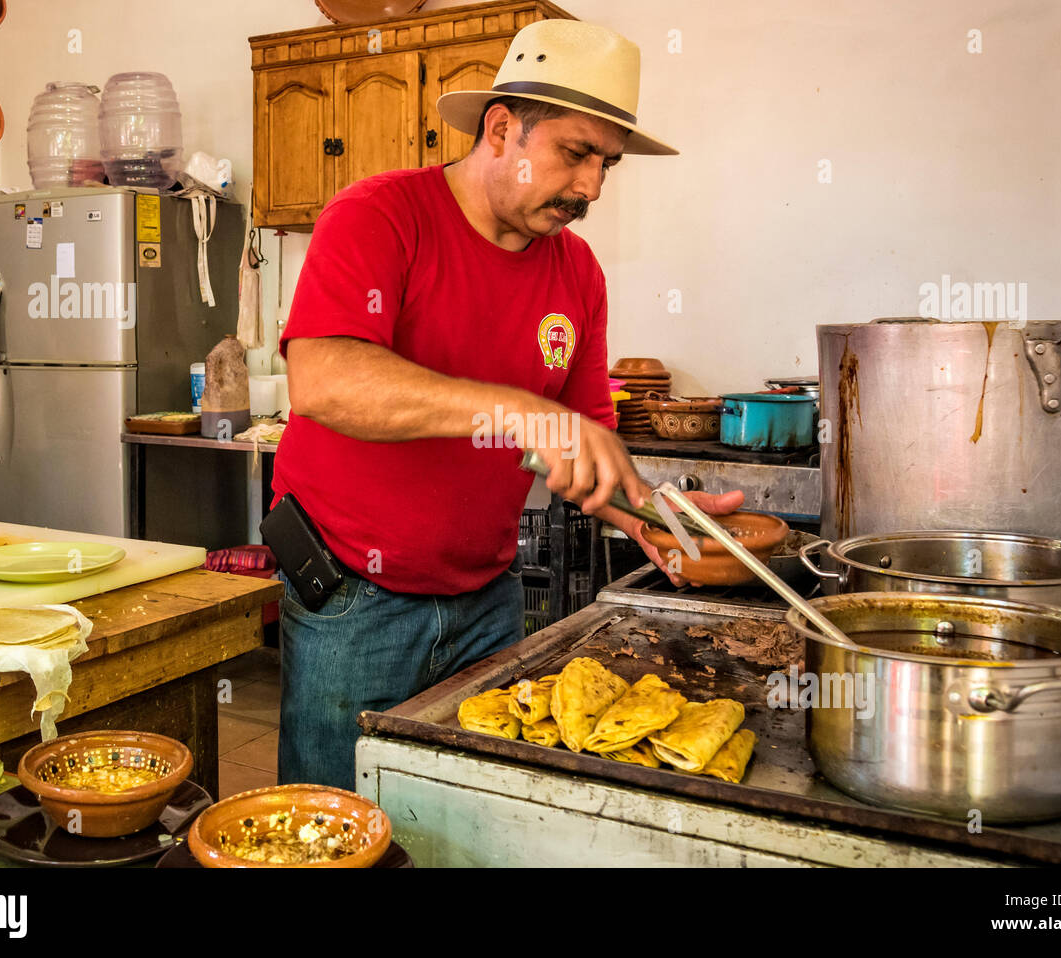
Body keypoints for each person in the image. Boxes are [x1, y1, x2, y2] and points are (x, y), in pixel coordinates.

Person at [271, 19, 745, 790]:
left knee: (462, 818)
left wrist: (657, 518)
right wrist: (523, 412)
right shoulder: (379, 214)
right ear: (501, 129)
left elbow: (582, 439)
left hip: (487, 599)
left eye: (607, 164)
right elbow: (325, 380)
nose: (592, 187)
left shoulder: (578, 273)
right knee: (334, 820)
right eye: (576, 153)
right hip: (353, 598)